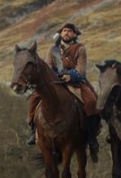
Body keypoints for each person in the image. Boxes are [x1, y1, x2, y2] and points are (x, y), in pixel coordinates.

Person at [25, 23, 102, 161]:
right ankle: (33, 131)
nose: (66, 33)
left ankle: (91, 137)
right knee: (33, 100)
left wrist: (71, 76)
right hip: (54, 83)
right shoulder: (52, 50)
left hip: (75, 82)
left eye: (69, 31)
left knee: (91, 101)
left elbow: (81, 70)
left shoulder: (80, 49)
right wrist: (55, 77)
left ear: (74, 34)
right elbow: (48, 67)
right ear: (60, 34)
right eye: (64, 31)